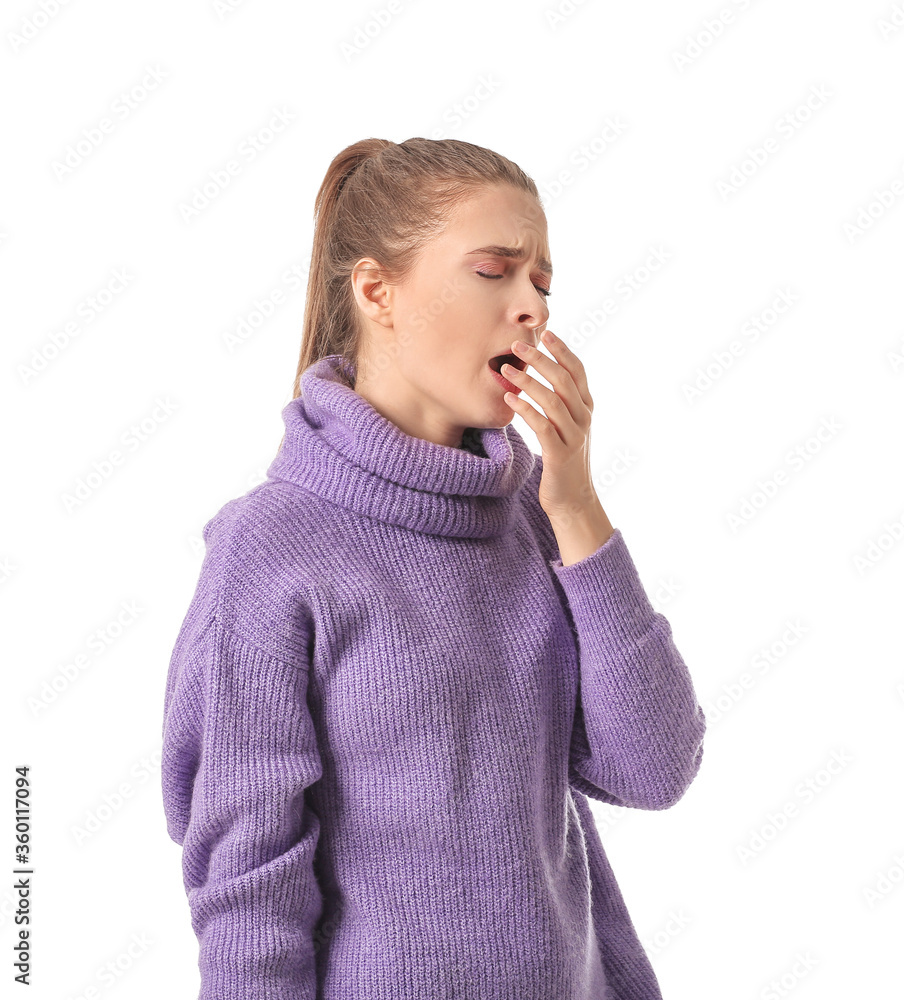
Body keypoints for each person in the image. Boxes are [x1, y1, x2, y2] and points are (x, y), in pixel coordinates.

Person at [160, 136, 707, 1000]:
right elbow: (248, 896)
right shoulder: (269, 550)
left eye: (543, 283)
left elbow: (654, 769)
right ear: (377, 291)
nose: (532, 308)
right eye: (494, 270)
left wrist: (576, 506)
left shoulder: (539, 517)